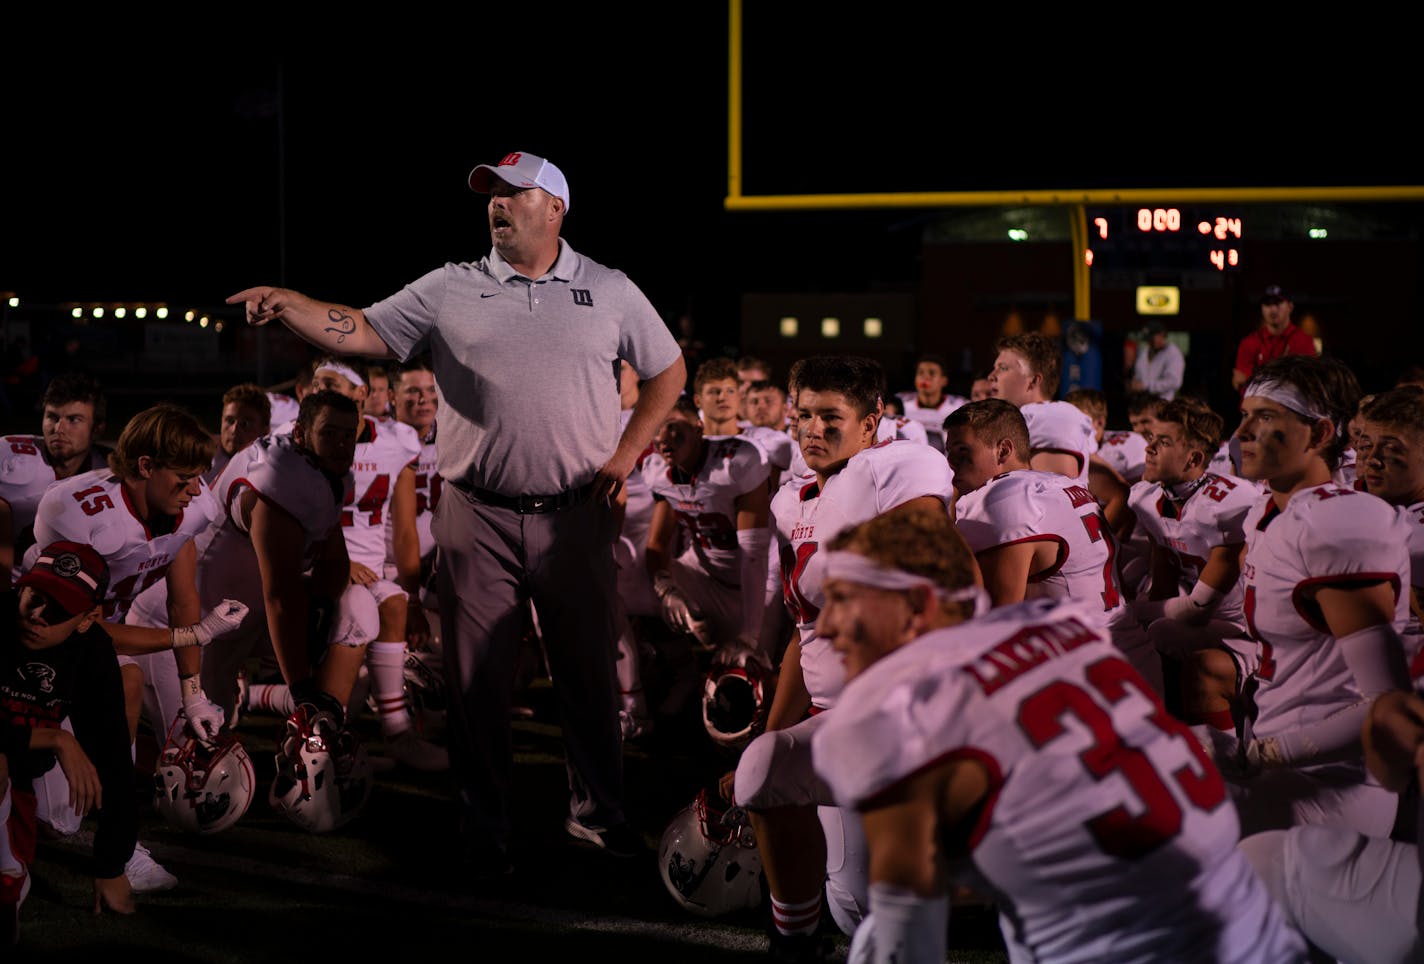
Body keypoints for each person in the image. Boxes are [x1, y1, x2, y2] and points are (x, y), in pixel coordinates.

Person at [228, 149, 686, 876]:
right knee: (476, 682)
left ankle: (599, 812)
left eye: (513, 193)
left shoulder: (611, 288)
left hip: (577, 515)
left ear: (555, 208)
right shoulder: (451, 286)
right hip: (479, 514)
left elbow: (668, 370)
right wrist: (291, 301)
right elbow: (365, 329)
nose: (496, 204)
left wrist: (627, 455)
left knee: (588, 675)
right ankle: (484, 825)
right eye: (491, 194)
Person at [808, 504, 1307, 964]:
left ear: (915, 606)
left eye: (842, 599)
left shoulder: (892, 714)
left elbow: (907, 940)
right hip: (1254, 930)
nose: (825, 626)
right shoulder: (1058, 626)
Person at [719, 354, 955, 961]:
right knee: (764, 771)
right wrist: (769, 732)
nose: (812, 430)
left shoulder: (895, 467)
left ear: (874, 421)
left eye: (832, 417)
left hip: (900, 718)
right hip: (832, 714)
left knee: (864, 919)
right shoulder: (791, 500)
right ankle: (793, 946)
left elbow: (946, 569)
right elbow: (806, 632)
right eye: (804, 416)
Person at [28, 404, 247, 892]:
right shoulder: (78, 513)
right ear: (145, 467)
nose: (196, 489)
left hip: (90, 647)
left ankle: (120, 841)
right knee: (54, 820)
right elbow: (84, 630)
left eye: (199, 476)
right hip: (34, 654)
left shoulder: (185, 505)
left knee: (124, 679)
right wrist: (189, 637)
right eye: (184, 477)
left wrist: (193, 692)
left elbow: (183, 598)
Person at [1200, 353, 1411, 839]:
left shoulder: (1333, 524)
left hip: (1334, 788)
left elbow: (1388, 703)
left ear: (1318, 435)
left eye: (1267, 416)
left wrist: (1266, 754)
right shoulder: (1269, 512)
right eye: (1245, 413)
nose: (1243, 431)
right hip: (1286, 758)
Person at [943, 399, 1154, 690]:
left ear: (1003, 450)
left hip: (1089, 673)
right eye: (949, 453)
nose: (951, 463)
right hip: (1130, 656)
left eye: (963, 452)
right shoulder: (1064, 485)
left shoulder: (1005, 499)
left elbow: (994, 625)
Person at [2, 543, 141, 944]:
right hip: (17, 755)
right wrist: (55, 737)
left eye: (58, 609)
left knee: (64, 819)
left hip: (22, 772)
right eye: (34, 597)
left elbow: (114, 758)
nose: (37, 616)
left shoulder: (92, 652)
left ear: (87, 620)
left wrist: (111, 864)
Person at [1126, 398, 1257, 720]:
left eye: (1164, 441)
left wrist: (1129, 612)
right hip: (1201, 616)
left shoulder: (1227, 504)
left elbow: (1198, 609)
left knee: (1155, 630)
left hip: (1245, 624)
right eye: (1152, 438)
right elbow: (1164, 583)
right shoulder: (1147, 497)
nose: (1149, 448)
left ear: (1193, 458)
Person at [641, 394, 771, 667]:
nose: (663, 436)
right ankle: (679, 674)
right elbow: (656, 544)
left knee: (752, 669)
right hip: (703, 574)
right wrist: (665, 588)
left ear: (699, 426)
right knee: (632, 580)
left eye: (673, 425)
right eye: (656, 427)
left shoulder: (735, 462)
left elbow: (754, 554)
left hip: (755, 582)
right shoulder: (656, 471)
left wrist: (750, 633)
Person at [0, 372, 112, 584]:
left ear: (97, 429)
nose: (59, 429)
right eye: (52, 417)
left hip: (72, 587)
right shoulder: (11, 461)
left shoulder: (108, 472)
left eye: (73, 420)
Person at [987, 331, 1097, 486]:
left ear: (1033, 381)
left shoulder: (1045, 417)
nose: (991, 376)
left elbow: (1054, 500)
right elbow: (1115, 491)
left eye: (1003, 368)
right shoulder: (1049, 415)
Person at [1231, 284, 1318, 396]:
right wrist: (1283, 378)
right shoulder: (1249, 342)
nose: (1272, 309)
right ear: (1262, 308)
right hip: (1255, 409)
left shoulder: (1303, 341)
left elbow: (1306, 383)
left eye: (1278, 303)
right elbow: (1239, 383)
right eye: (1267, 304)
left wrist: (1253, 377)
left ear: (1290, 307)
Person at [896, 353, 966, 453]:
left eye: (932, 373)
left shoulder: (959, 406)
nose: (925, 378)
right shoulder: (901, 402)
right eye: (921, 373)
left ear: (944, 381)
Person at [206, 382, 271, 485]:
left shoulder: (270, 471)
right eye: (230, 420)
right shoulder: (197, 457)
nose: (234, 429)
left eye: (245, 424)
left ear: (265, 430)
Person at [1130, 320, 1186, 400]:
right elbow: (1139, 373)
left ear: (1162, 335)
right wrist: (1135, 382)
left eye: (1151, 338)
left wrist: (1146, 386)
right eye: (1148, 339)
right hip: (1144, 402)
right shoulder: (1145, 351)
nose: (1149, 342)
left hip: (1164, 403)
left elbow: (1174, 382)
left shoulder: (1173, 353)